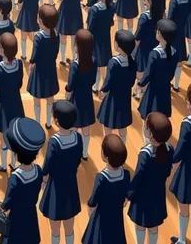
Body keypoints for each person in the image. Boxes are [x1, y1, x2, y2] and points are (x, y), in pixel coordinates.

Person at [127, 112, 173, 244]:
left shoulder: (145, 154)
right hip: (158, 194)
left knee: (140, 226)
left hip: (142, 196)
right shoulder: (169, 149)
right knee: (154, 226)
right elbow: (167, 172)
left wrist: (128, 195)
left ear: (151, 134)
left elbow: (137, 177)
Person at [40, 101, 82, 244]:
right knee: (70, 228)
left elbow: (47, 165)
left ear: (56, 121)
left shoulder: (54, 142)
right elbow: (77, 160)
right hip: (71, 185)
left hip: (55, 188)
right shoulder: (78, 138)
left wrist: (44, 180)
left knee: (55, 229)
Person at [0, 117, 46, 244]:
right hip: (30, 216)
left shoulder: (15, 178)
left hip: (16, 219)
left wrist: (2, 207)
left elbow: (8, 202)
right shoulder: (38, 170)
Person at [82, 134, 130, 244]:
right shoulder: (126, 174)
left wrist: (90, 207)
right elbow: (126, 193)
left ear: (106, 157)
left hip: (102, 215)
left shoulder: (102, 177)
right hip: (117, 215)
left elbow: (94, 199)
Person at [0, 33, 24, 173]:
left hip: (4, 105)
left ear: (2, 51)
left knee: (3, 137)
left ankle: (4, 165)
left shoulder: (0, 68)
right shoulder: (19, 64)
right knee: (15, 135)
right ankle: (14, 163)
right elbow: (20, 83)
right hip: (16, 102)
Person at [97, 29, 136, 144]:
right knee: (122, 126)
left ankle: (107, 146)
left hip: (113, 98)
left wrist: (103, 91)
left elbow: (109, 81)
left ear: (119, 46)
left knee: (108, 125)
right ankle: (122, 147)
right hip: (125, 97)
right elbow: (132, 82)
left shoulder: (114, 62)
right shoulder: (132, 61)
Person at [138, 18, 179, 126]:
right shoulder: (175, 52)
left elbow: (148, 73)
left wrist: (140, 84)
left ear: (160, 35)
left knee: (148, 120)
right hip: (165, 88)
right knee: (162, 117)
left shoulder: (155, 53)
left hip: (153, 89)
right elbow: (172, 72)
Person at [65, 29, 96, 161]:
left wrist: (67, 92)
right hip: (87, 97)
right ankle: (84, 153)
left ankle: (72, 150)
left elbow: (70, 85)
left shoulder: (75, 65)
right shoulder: (93, 61)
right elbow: (93, 80)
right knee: (86, 127)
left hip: (76, 98)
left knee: (73, 126)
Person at [27, 4, 59, 130]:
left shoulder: (39, 37)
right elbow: (55, 53)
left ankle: (37, 122)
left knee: (37, 98)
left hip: (39, 71)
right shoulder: (56, 34)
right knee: (50, 97)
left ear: (41, 21)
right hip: (50, 69)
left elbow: (34, 56)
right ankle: (49, 122)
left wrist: (31, 65)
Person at [86, 0, 115, 94]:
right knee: (102, 63)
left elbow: (90, 28)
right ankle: (99, 85)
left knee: (96, 64)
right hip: (105, 36)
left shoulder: (95, 9)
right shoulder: (111, 5)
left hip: (95, 38)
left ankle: (96, 85)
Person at [134, 0, 164, 99]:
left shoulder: (144, 17)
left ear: (149, 0)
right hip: (155, 46)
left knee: (140, 73)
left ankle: (138, 92)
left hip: (143, 48)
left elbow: (138, 36)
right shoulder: (160, 14)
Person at [170, 83, 191, 244]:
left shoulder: (187, 124)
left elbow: (181, 150)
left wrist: (172, 166)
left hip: (188, 170)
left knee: (184, 206)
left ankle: (182, 239)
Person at [168, 0, 191, 91]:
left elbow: (170, 19)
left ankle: (168, 82)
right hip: (181, 32)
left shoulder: (174, 1)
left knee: (168, 60)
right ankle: (176, 85)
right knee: (179, 62)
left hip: (172, 34)